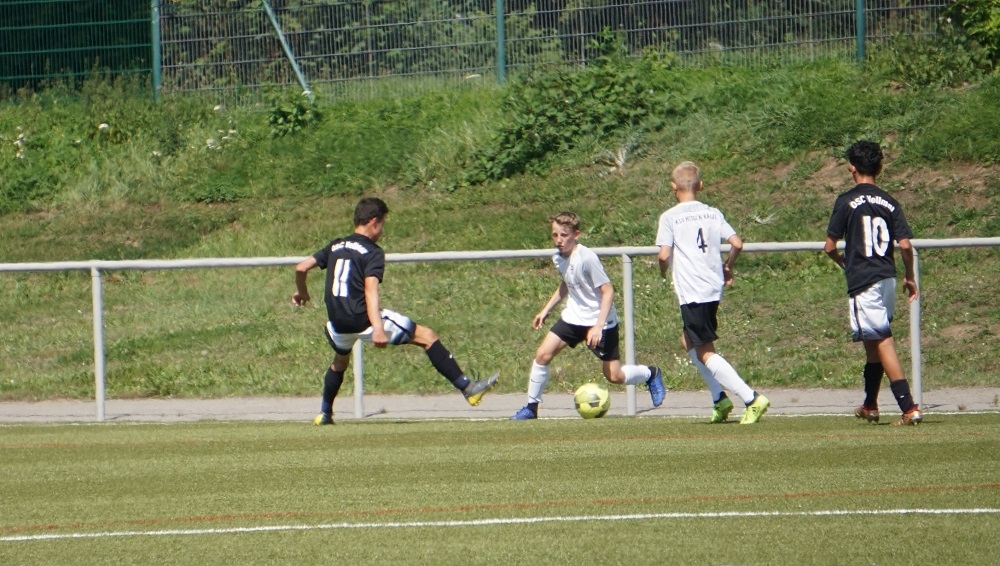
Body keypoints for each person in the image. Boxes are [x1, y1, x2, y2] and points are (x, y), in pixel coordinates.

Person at [292, 197, 498, 425]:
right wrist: (378, 328)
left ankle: (325, 413)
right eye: (382, 224)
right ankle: (468, 389)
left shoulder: (336, 245)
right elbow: (370, 290)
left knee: (340, 362)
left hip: (337, 323)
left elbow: (301, 268)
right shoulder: (372, 251)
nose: (382, 231)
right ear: (374, 221)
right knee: (427, 336)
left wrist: (302, 293)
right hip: (363, 320)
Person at [510, 211, 665, 420]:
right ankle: (531, 408)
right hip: (573, 317)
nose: (558, 240)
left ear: (576, 235)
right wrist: (546, 310)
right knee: (542, 355)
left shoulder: (587, 258)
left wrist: (598, 326)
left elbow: (608, 291)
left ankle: (650, 374)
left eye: (564, 235)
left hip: (600, 321)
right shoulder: (558, 258)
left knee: (614, 375)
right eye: (555, 235)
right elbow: (567, 283)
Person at [656, 161, 769, 424]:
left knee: (705, 351)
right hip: (711, 287)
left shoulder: (670, 216)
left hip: (693, 290)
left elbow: (663, 255)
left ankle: (751, 398)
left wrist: (662, 270)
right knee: (688, 339)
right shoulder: (712, 212)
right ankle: (719, 397)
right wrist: (728, 266)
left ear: (673, 187)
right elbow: (737, 243)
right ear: (700, 185)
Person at [824, 140, 921, 426]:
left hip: (864, 281)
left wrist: (845, 263)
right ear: (879, 168)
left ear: (851, 168)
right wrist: (910, 276)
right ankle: (870, 405)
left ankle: (909, 408)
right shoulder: (889, 201)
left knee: (882, 340)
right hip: (887, 278)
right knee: (872, 342)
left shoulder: (846, 201)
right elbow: (905, 244)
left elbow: (829, 246)